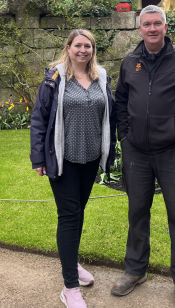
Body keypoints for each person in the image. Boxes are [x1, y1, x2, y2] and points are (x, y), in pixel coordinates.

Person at [112, 5, 175, 308]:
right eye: (147, 24)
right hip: (137, 153)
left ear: (166, 27)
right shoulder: (130, 63)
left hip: (174, 153)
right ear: (139, 29)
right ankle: (135, 271)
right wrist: (125, 138)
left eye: (157, 23)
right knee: (137, 213)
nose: (152, 29)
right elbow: (121, 102)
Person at [30, 29, 116, 308]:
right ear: (68, 48)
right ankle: (70, 288)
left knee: (78, 214)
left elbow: (111, 115)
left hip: (90, 159)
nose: (83, 50)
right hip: (63, 160)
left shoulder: (101, 77)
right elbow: (39, 119)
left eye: (88, 46)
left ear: (93, 49)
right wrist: (39, 158)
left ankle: (73, 263)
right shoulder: (54, 78)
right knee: (69, 217)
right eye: (78, 45)